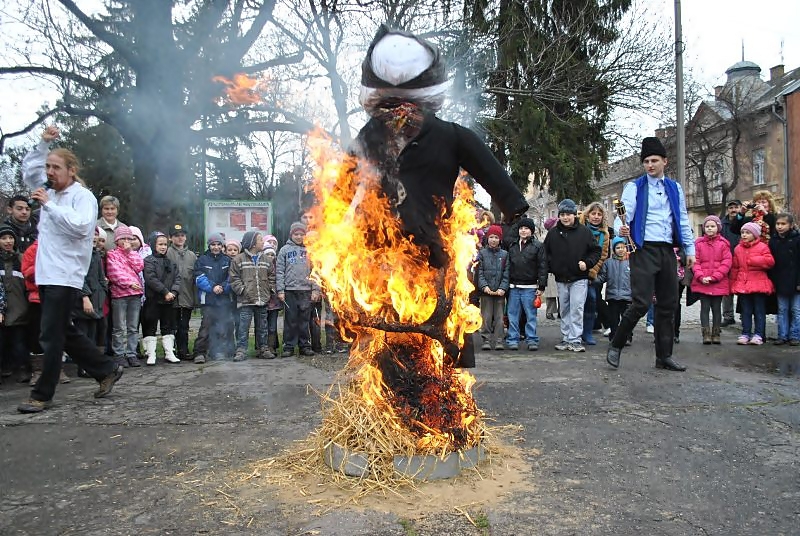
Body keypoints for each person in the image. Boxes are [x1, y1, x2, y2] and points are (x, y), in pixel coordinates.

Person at [17, 126, 122, 413]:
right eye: (48, 167)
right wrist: (42, 145)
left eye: (55, 167)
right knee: (62, 329)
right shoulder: (48, 191)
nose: (49, 172)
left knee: (50, 334)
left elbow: (81, 228)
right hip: (47, 272)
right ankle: (106, 369)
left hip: (66, 274)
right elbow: (29, 172)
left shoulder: (81, 196)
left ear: (71, 170)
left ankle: (42, 394)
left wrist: (50, 206)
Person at [606, 137, 695, 371]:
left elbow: (683, 220)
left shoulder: (674, 188)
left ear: (665, 161)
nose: (650, 165)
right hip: (643, 250)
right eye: (646, 161)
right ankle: (616, 344)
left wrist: (690, 249)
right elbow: (621, 216)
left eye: (654, 160)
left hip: (667, 249)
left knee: (668, 304)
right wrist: (621, 229)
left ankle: (663, 356)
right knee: (641, 302)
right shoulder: (634, 187)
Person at [544, 199, 601, 353]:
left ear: (574, 215)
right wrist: (552, 266)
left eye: (568, 214)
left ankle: (575, 339)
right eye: (562, 214)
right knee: (564, 309)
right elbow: (545, 253)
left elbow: (596, 251)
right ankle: (566, 337)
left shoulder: (584, 232)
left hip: (579, 278)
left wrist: (587, 263)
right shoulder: (553, 234)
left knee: (577, 307)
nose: (565, 217)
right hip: (561, 278)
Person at [230, 231, 276, 361]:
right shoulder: (238, 259)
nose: (263, 242)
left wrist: (270, 289)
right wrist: (242, 290)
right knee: (243, 327)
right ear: (252, 243)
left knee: (262, 327)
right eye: (260, 240)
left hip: (262, 300)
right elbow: (234, 278)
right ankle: (241, 350)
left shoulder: (266, 260)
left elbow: (272, 276)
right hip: (246, 301)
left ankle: (263, 348)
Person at [276, 222, 319, 357]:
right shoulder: (284, 250)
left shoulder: (310, 250)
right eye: (296, 234)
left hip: (306, 290)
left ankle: (304, 345)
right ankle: (289, 346)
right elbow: (279, 271)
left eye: (301, 234)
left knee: (304, 320)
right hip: (290, 290)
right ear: (291, 235)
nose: (299, 237)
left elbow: (316, 271)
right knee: (290, 319)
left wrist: (315, 290)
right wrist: (281, 290)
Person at [106, 224, 145, 367]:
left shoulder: (132, 253)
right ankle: (119, 354)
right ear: (117, 240)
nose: (127, 241)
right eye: (124, 238)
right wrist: (129, 283)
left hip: (135, 295)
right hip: (119, 295)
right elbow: (114, 273)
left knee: (133, 327)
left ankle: (132, 353)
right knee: (119, 327)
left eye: (130, 238)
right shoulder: (112, 254)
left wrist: (130, 252)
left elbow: (139, 266)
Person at [504, 218, 546, 351]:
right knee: (512, 315)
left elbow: (543, 267)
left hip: (530, 287)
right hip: (514, 287)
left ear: (531, 231)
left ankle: (532, 339)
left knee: (530, 315)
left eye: (526, 228)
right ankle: (512, 339)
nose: (523, 230)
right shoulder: (512, 246)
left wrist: (541, 286)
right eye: (521, 228)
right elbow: (508, 266)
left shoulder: (538, 246)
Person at [71, 228, 108, 376]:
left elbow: (101, 277)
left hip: (97, 301)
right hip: (83, 302)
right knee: (83, 336)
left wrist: (103, 291)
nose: (94, 237)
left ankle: (92, 366)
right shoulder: (78, 255)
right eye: (91, 234)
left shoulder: (96, 255)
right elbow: (79, 278)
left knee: (92, 336)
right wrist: (85, 297)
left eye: (96, 235)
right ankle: (83, 366)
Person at [731, 222, 775, 345]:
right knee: (745, 311)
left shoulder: (762, 247)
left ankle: (759, 334)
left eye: (748, 233)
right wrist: (733, 283)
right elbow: (735, 268)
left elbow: (770, 262)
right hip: (743, 284)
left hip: (758, 284)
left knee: (759, 311)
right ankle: (745, 333)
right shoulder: (738, 249)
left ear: (755, 235)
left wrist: (754, 260)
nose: (744, 235)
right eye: (743, 232)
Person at [690, 215, 732, 345]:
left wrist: (715, 277)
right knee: (704, 308)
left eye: (712, 226)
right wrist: (701, 276)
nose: (709, 228)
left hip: (718, 282)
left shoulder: (724, 244)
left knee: (716, 308)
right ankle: (706, 333)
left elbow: (727, 262)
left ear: (718, 228)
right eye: (707, 226)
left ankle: (716, 332)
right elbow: (695, 262)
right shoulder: (698, 244)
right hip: (703, 282)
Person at [141, 232, 181, 365]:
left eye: (165, 244)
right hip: (153, 300)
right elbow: (151, 279)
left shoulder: (171, 262)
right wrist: (165, 291)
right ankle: (151, 354)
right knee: (150, 325)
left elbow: (177, 278)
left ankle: (169, 352)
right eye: (160, 244)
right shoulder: (148, 260)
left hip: (169, 300)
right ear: (153, 245)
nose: (163, 247)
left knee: (168, 326)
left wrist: (173, 292)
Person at [193, 233, 233, 362]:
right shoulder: (202, 260)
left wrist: (222, 287)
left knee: (221, 327)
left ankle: (217, 352)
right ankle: (199, 353)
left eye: (218, 244)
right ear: (209, 245)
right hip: (208, 300)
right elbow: (199, 277)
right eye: (213, 244)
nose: (216, 247)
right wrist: (212, 287)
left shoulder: (227, 260)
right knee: (205, 327)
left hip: (223, 299)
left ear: (222, 246)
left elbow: (231, 278)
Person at [0, 225, 29, 384]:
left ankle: (23, 368)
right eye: (4, 238)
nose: (8, 241)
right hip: (2, 309)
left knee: (19, 341)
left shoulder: (21, 259)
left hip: (19, 307)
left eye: (10, 238)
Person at [579, 202, 610, 345]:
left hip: (593, 273)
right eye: (593, 213)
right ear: (588, 214)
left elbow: (603, 255)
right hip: (577, 270)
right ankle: (574, 333)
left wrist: (592, 271)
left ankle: (587, 332)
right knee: (576, 304)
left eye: (599, 214)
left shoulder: (605, 234)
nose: (596, 217)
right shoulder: (580, 229)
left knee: (591, 300)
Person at [767, 213, 800, 346]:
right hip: (780, 281)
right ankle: (782, 335)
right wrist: (772, 282)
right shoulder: (773, 240)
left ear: (791, 225)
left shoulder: (797, 239)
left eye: (783, 224)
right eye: (778, 224)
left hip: (795, 280)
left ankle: (795, 335)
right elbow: (772, 263)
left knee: (796, 310)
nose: (780, 227)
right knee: (782, 310)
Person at [165, 224, 197, 360]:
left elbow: (194, 279)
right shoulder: (167, 253)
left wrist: (195, 300)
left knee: (184, 326)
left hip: (187, 297)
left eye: (182, 235)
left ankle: (183, 350)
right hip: (171, 297)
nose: (180, 238)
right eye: (176, 236)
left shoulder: (192, 256)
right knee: (172, 326)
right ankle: (171, 351)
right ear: (170, 238)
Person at [477, 224, 509, 351]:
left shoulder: (505, 254)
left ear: (500, 239)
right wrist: (484, 286)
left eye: (496, 237)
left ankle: (499, 339)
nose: (494, 240)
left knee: (500, 318)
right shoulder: (482, 254)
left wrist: (502, 288)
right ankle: (486, 339)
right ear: (487, 238)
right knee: (486, 317)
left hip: (499, 293)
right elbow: (479, 273)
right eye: (491, 237)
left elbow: (506, 273)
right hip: (486, 292)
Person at [597, 237, 632, 344]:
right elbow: (603, 277)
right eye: (618, 248)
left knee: (627, 319)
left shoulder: (631, 263)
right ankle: (614, 337)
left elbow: (636, 279)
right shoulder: (608, 263)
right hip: (612, 296)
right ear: (614, 249)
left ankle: (627, 337)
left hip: (627, 296)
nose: (621, 250)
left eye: (623, 247)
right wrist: (593, 279)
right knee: (613, 319)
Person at [720, 199, 742, 326]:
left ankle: (745, 316)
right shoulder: (722, 224)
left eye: (736, 207)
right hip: (727, 261)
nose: (733, 210)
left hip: (742, 260)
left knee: (743, 289)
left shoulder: (745, 221)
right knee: (727, 291)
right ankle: (728, 316)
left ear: (740, 208)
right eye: (731, 207)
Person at [541, 217, 559, 319]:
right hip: (549, 268)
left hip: (558, 266)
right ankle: (550, 312)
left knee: (559, 292)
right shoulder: (546, 237)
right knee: (551, 293)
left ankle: (560, 310)